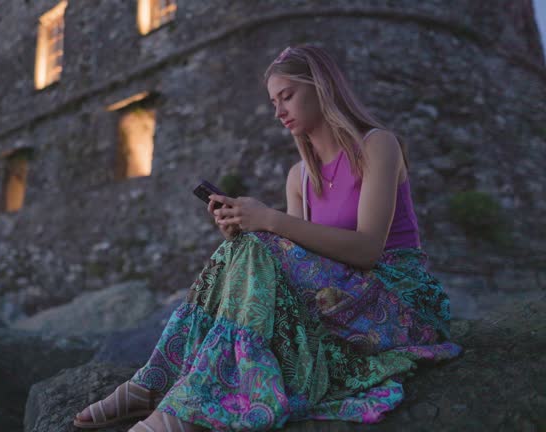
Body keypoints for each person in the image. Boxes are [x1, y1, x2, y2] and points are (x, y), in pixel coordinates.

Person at [73, 44, 462, 432]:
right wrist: (244, 229)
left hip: (397, 298)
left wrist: (269, 221)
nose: (278, 111)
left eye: (287, 96)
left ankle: (177, 406)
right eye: (274, 101)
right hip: (344, 296)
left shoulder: (377, 145)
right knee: (245, 245)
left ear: (321, 87)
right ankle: (154, 383)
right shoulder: (299, 177)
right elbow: (297, 264)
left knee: (260, 241)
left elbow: (367, 250)